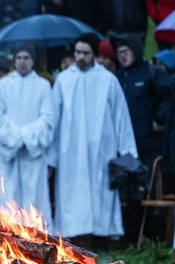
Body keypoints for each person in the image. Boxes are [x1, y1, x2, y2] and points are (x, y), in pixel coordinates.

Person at [51, 33, 137, 247]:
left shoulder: (108, 80)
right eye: (78, 52)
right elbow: (53, 119)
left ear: (94, 54)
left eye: (85, 53)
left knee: (101, 192)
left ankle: (102, 238)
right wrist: (50, 157)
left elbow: (121, 116)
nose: (81, 57)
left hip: (102, 148)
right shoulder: (63, 79)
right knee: (74, 192)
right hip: (70, 149)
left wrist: (127, 152)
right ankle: (75, 239)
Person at [0, 44, 56, 224]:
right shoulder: (2, 85)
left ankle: (35, 242)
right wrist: (14, 139)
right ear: (14, 61)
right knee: (5, 197)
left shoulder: (43, 86)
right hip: (6, 153)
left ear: (33, 61)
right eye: (19, 58)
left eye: (26, 58)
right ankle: (2, 240)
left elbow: (48, 118)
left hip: (32, 153)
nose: (22, 62)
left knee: (33, 199)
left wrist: (25, 137)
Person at [112, 34, 174, 166]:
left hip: (150, 142)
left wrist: (160, 118)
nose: (122, 56)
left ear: (135, 51)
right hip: (124, 143)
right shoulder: (116, 78)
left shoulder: (152, 73)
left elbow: (169, 96)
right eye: (119, 53)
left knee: (152, 181)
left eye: (125, 52)